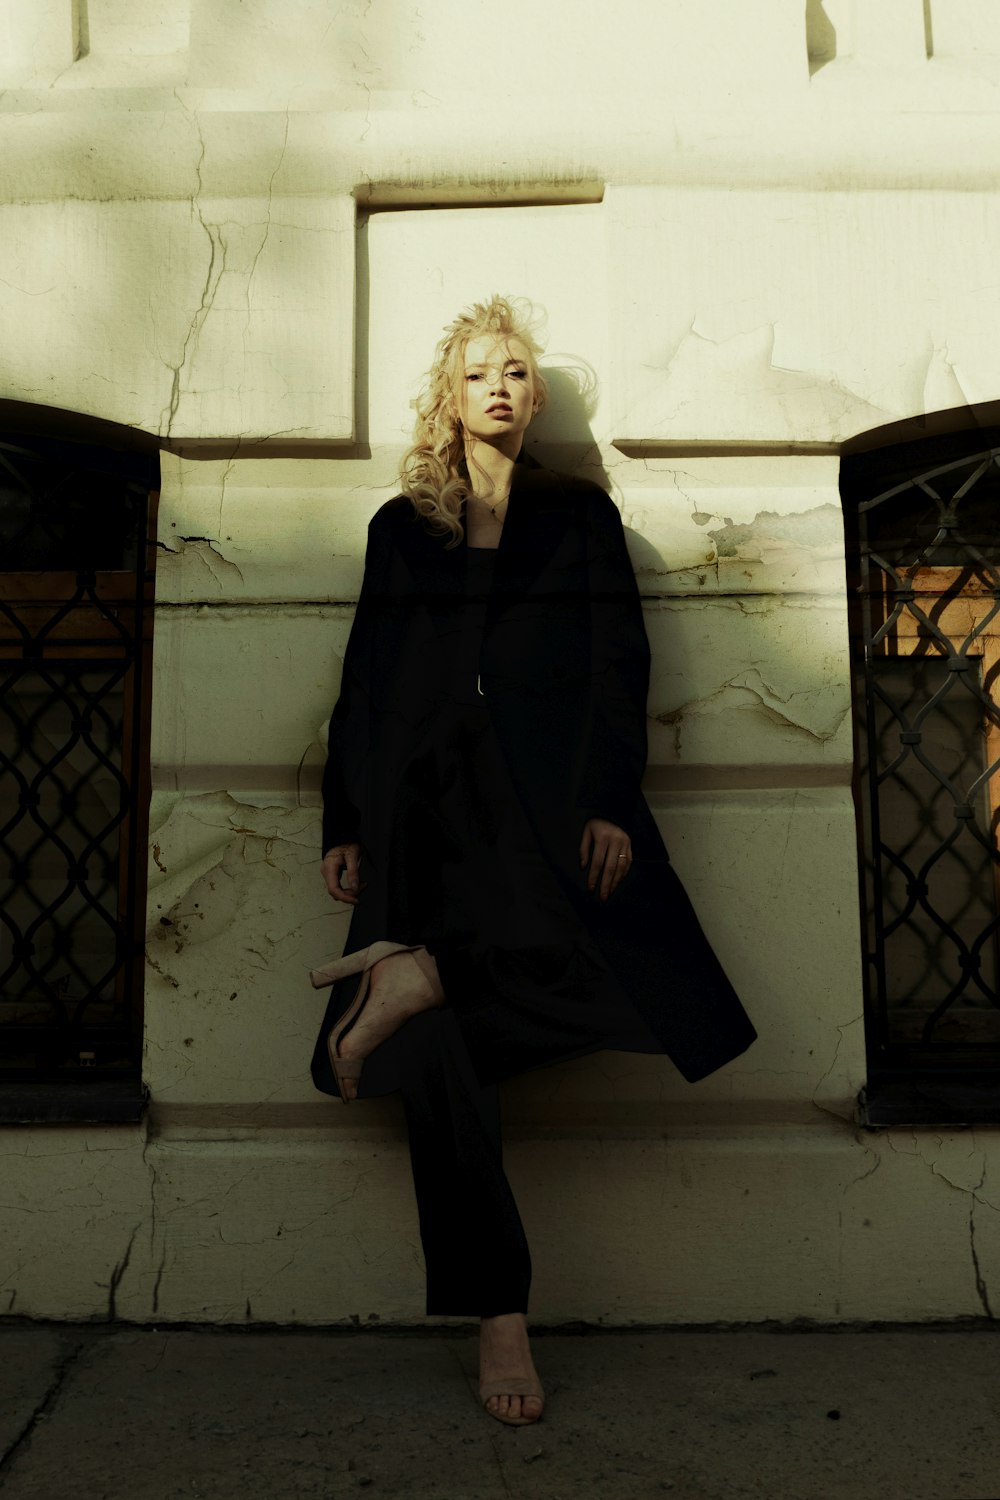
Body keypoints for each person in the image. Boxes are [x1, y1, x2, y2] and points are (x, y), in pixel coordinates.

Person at [310, 295, 757, 1427]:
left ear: (535, 395)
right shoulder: (398, 526)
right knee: (437, 1064)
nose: (499, 387)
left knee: (594, 975)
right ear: (449, 399)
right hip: (426, 811)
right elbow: (365, 683)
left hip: (546, 805)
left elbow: (619, 662)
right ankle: (499, 1314)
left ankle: (426, 970)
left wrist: (609, 800)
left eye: (516, 371)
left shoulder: (582, 518)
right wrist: (344, 821)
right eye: (477, 374)